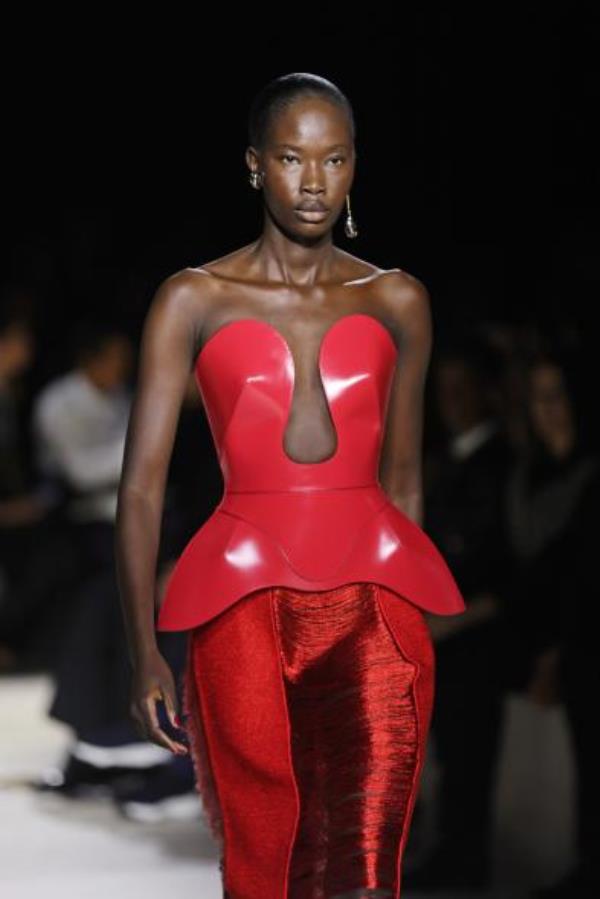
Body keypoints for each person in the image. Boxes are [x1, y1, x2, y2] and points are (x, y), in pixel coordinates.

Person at [115, 72, 466, 899]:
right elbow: (140, 490)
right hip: (241, 604)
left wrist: (410, 603)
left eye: (334, 159)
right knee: (265, 861)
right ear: (253, 165)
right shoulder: (192, 298)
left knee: (370, 868)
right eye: (291, 158)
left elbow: (406, 476)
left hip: (376, 607)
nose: (313, 182)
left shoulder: (397, 298)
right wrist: (142, 654)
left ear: (353, 168)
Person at [502, 350, 599, 898]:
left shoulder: (589, 477)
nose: (546, 410)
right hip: (549, 643)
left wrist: (557, 650)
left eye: (556, 396)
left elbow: (583, 575)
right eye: (537, 398)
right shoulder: (527, 477)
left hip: (582, 641)